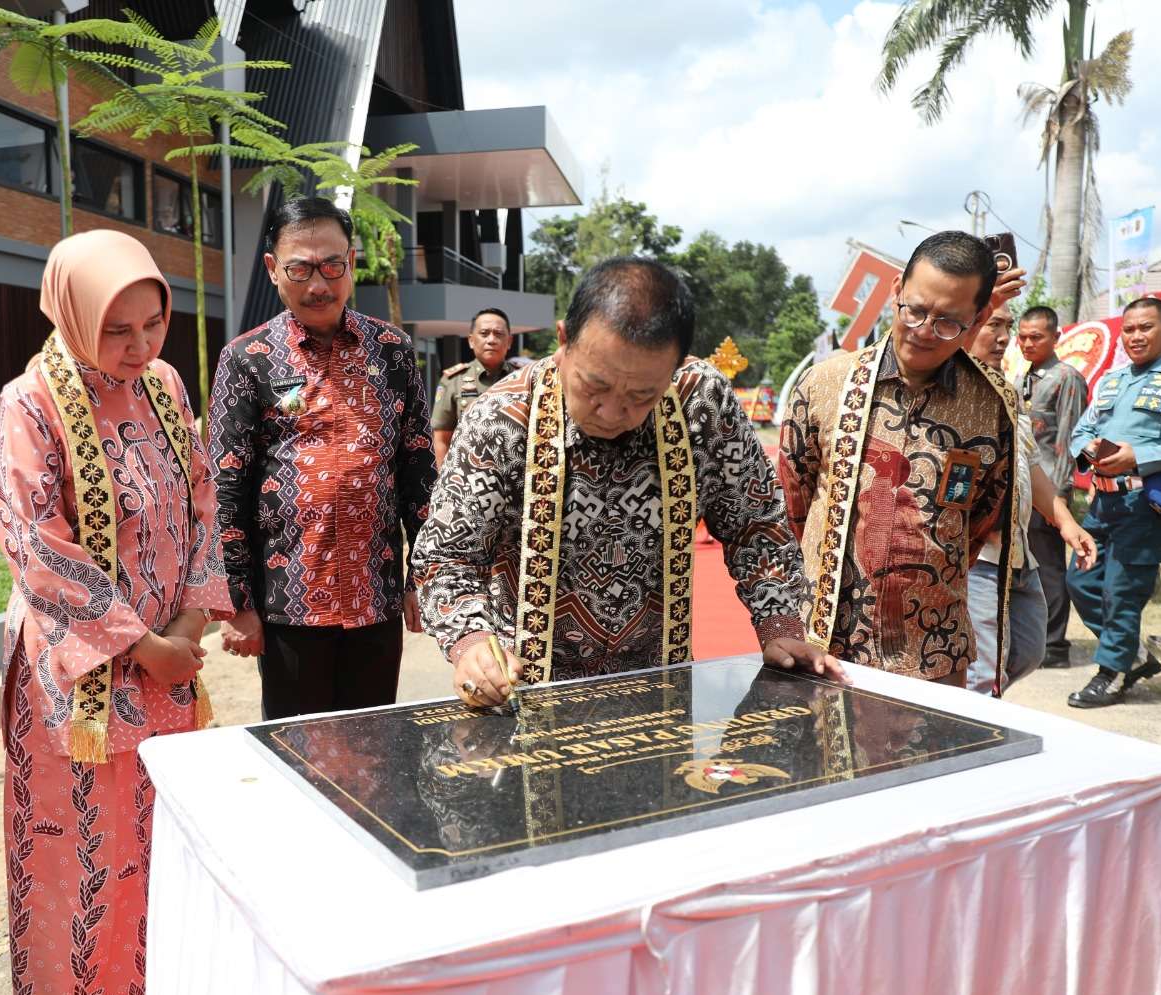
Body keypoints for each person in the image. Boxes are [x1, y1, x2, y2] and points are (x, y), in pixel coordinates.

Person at [0, 230, 232, 995]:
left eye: (153, 324)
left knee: (161, 859)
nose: (138, 347)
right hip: (80, 685)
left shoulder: (163, 386)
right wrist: (139, 643)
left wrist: (192, 624)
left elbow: (200, 500)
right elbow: (36, 543)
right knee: (85, 867)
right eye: (116, 329)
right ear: (72, 313)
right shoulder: (32, 404)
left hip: (171, 670)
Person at [411, 256, 840, 706]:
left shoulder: (702, 403)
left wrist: (779, 624)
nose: (613, 413)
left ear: (675, 367)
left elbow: (756, 526)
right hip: (523, 692)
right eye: (594, 386)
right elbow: (447, 557)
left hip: (659, 691)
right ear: (563, 340)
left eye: (641, 396)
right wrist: (472, 642)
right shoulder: (501, 419)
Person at [209, 197, 436, 719]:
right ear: (273, 270)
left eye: (333, 265)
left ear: (351, 263)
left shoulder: (393, 351)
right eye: (301, 268)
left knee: (375, 744)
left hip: (373, 597)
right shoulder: (246, 360)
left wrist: (422, 580)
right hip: (288, 599)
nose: (320, 284)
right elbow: (226, 486)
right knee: (297, 755)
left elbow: (419, 474)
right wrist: (237, 601)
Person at [779, 231, 1022, 689]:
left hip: (933, 648)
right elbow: (793, 502)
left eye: (949, 321)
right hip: (826, 640)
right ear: (895, 291)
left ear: (979, 316)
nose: (925, 331)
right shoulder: (826, 384)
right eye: (914, 310)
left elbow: (981, 518)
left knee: (934, 761)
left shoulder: (993, 404)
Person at [1064, 296, 1161, 707]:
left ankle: (1112, 674)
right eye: (1130, 329)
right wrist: (1090, 450)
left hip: (1146, 504)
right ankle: (1131, 654)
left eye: (1146, 328)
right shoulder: (1112, 380)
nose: (1136, 336)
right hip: (1102, 503)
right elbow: (1080, 431)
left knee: (1122, 591)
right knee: (1081, 581)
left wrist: (1138, 455)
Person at [963, 306, 1098, 695]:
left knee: (1027, 652)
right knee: (984, 674)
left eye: (1013, 329)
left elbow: (1051, 451)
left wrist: (1064, 517)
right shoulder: (954, 393)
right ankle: (976, 741)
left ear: (1055, 337)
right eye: (996, 326)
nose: (1009, 340)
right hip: (980, 556)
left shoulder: (1024, 386)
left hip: (1021, 547)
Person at [1014, 305, 1090, 668]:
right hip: (1023, 487)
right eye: (1023, 336)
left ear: (1056, 337)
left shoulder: (1066, 378)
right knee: (1027, 562)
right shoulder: (1021, 377)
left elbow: (1070, 439)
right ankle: (1034, 635)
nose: (1027, 343)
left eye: (1036, 337)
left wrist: (1058, 498)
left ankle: (1055, 644)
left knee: (1048, 566)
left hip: (1049, 491)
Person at [432, 307, 512, 468]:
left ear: (509, 341)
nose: (491, 340)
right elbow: (441, 439)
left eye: (498, 334)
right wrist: (443, 483)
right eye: (484, 333)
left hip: (514, 476)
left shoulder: (525, 378)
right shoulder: (453, 380)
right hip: (468, 478)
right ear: (470, 340)